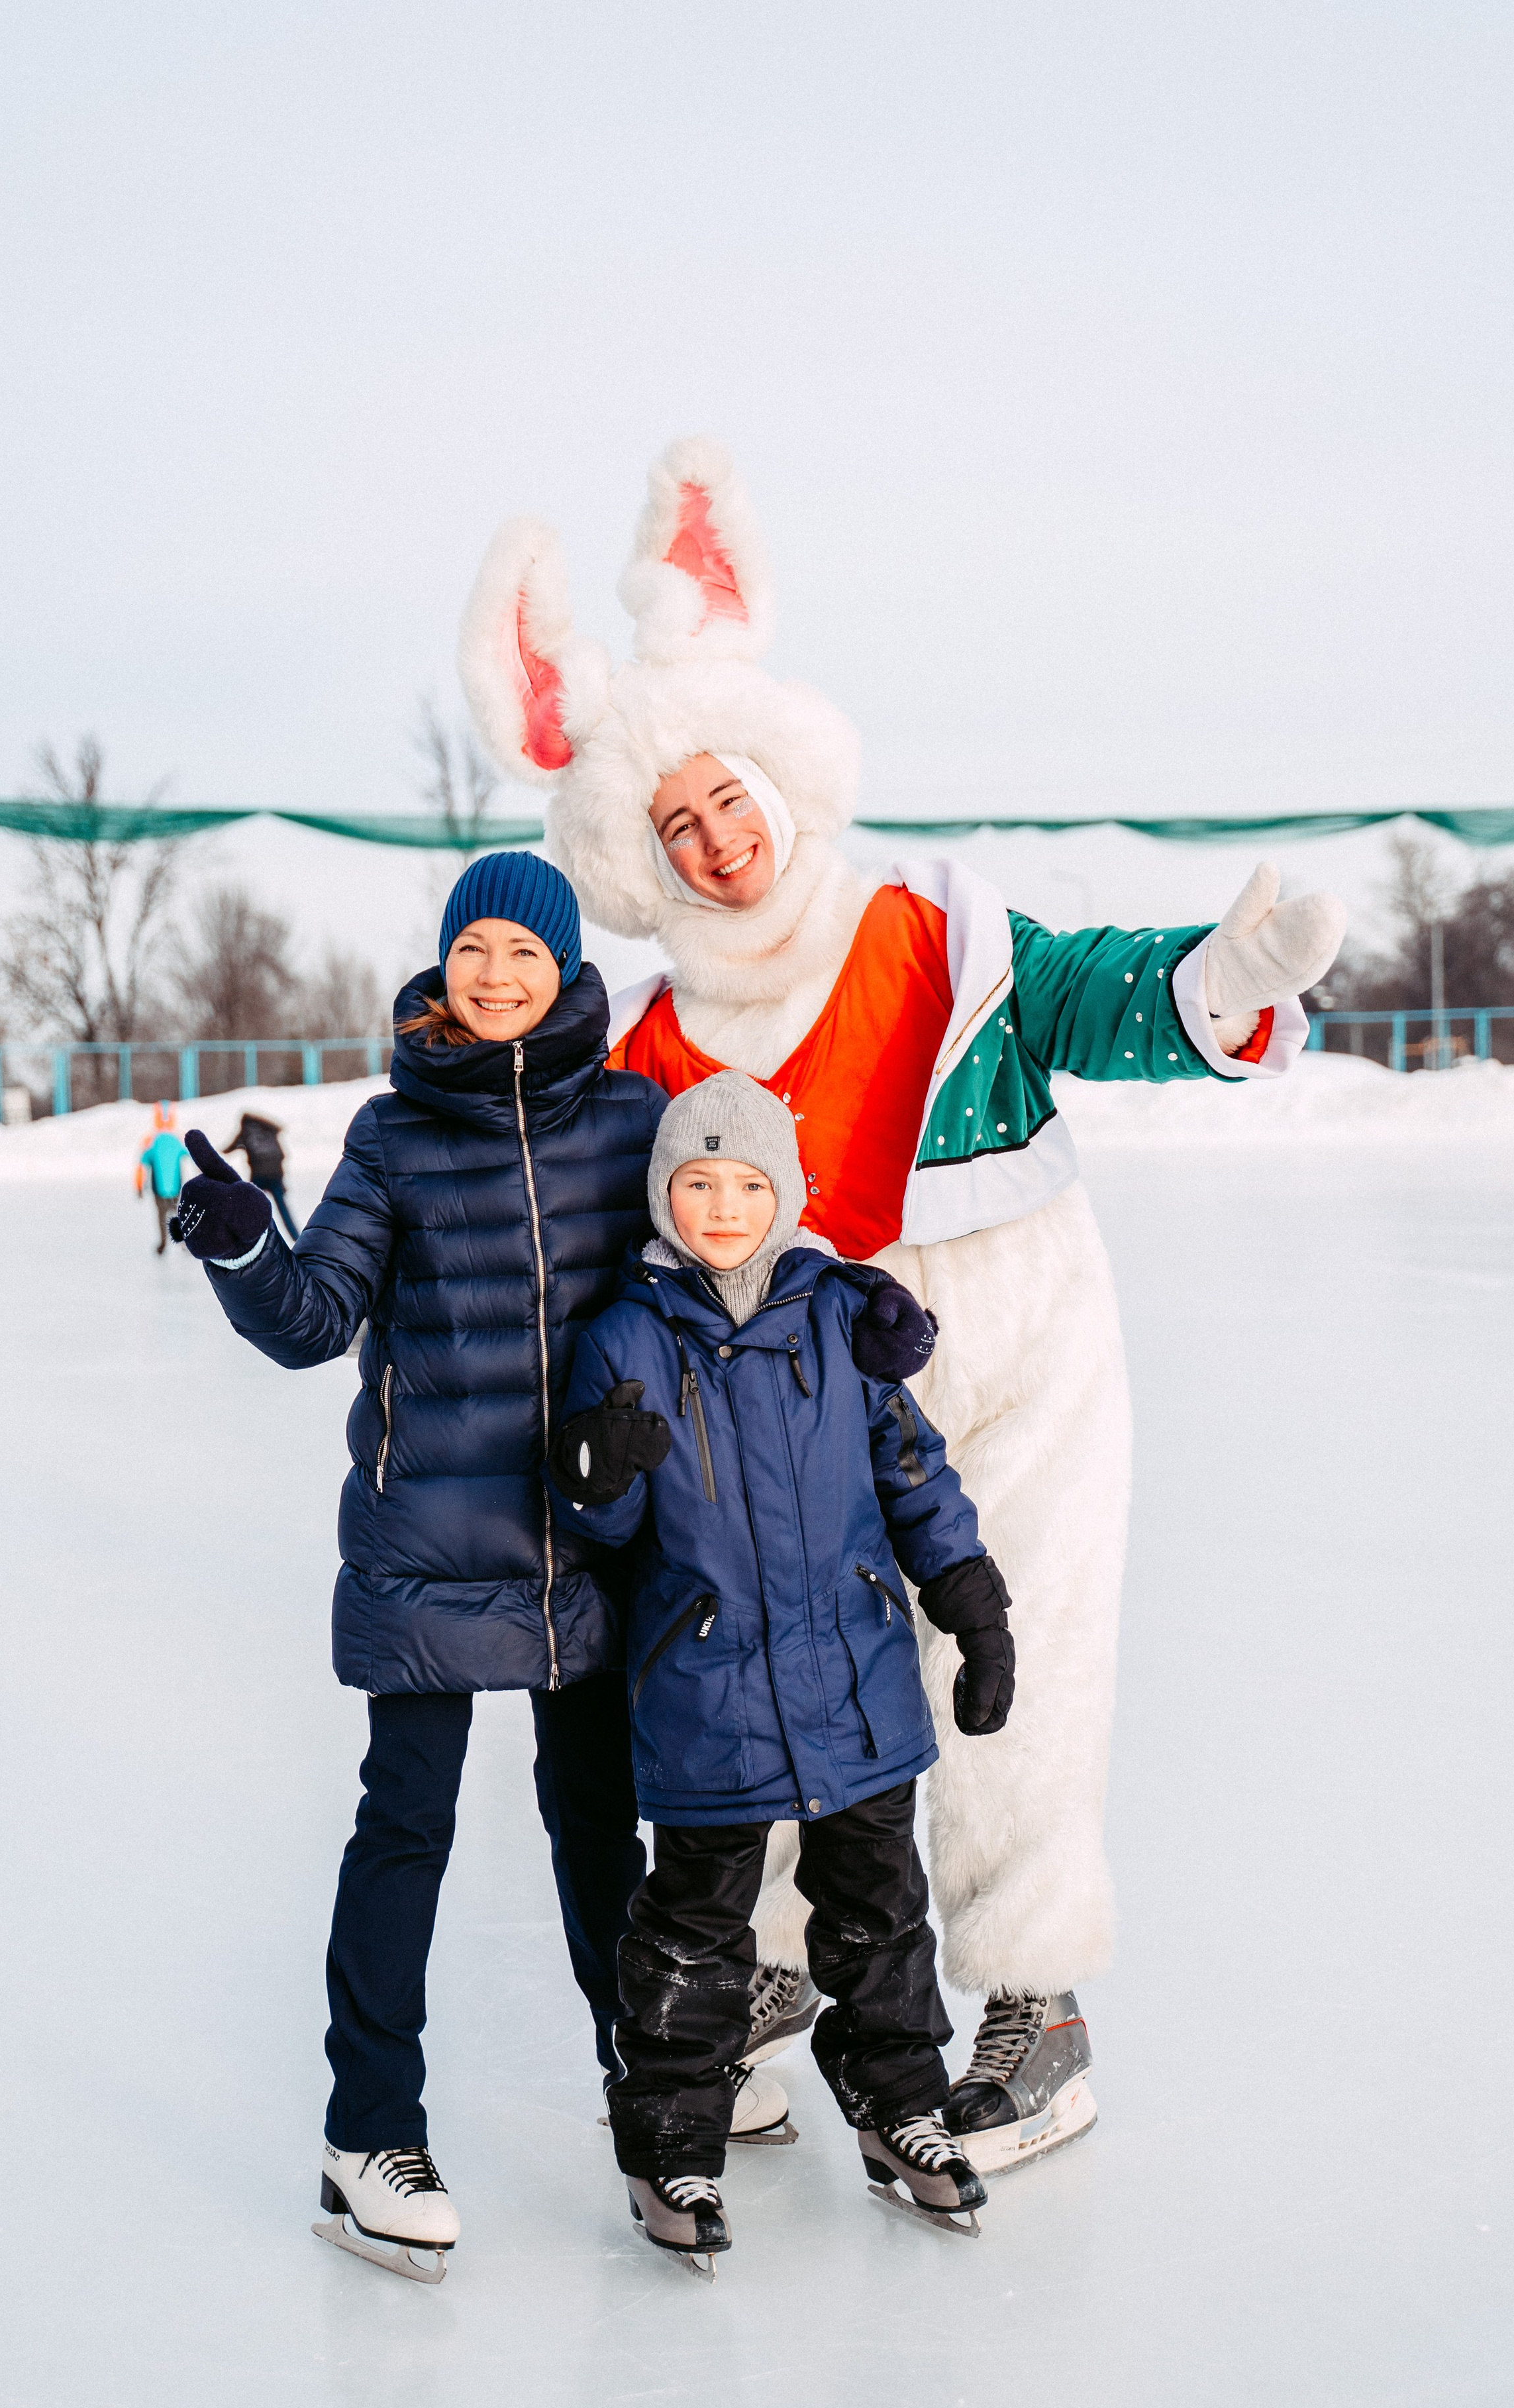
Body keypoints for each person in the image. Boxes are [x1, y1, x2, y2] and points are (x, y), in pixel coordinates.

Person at [458, 438, 1349, 2177]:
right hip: (798, 1403)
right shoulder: (653, 1041)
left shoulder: (936, 922)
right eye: (675, 823)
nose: (716, 839)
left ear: (782, 777)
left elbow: (1098, 997)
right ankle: (780, 1979)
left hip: (1020, 1369)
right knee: (780, 1663)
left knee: (1016, 1673)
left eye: (728, 796)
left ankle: (1033, 1994)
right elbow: (580, 1228)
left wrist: (1224, 978)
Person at [167, 850, 802, 2285]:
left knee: (601, 1839)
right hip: (428, 1553)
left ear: (566, 969)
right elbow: (314, 1313)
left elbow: (714, 1270)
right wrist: (241, 1251)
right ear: (445, 966)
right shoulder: (393, 1138)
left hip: (591, 1545)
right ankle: (366, 2134)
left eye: (525, 953)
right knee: (408, 1829)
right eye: (476, 954)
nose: (498, 976)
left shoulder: (631, 1119)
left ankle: (648, 2097)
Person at [548, 1073, 1011, 2270]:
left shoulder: (838, 1322)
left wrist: (970, 1597)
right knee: (696, 1933)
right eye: (698, 1183)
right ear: (665, 1193)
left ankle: (899, 2107)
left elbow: (913, 1473)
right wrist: (593, 1474)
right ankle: (672, 2144)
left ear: (783, 1195)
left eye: (747, 1185)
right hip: (711, 1699)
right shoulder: (626, 1334)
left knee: (880, 1918)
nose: (722, 1206)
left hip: (856, 1686)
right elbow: (594, 1528)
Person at [221, 1110, 298, 1240]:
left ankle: (247, 1237)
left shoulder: (246, 1132)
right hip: (276, 1174)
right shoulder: (268, 1130)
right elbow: (282, 1154)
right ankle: (296, 1236)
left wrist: (217, 1151)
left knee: (251, 1206)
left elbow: (231, 1147)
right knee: (283, 1208)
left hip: (259, 1176)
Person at [136, 1104, 189, 1254]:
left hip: (158, 1187)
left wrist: (139, 1186)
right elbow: (193, 1156)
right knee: (179, 1213)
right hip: (176, 1186)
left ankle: (164, 1242)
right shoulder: (178, 1139)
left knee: (162, 1215)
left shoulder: (151, 1140)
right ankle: (184, 1241)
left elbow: (142, 1164)